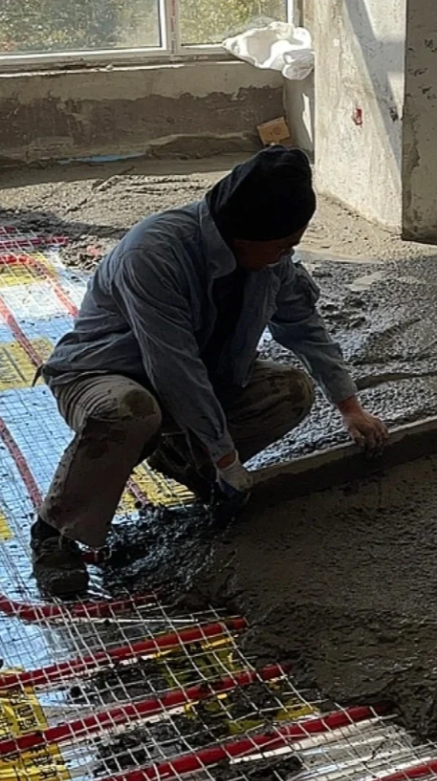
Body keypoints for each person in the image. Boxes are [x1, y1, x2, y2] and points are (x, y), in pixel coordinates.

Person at [32, 147, 388, 597]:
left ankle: (184, 461)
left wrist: (349, 405)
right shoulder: (155, 253)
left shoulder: (270, 259)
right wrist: (226, 458)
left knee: (289, 390)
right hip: (106, 374)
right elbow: (174, 368)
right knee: (133, 412)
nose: (287, 254)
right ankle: (54, 532)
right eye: (282, 245)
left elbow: (304, 326)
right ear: (242, 233)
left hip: (202, 372)